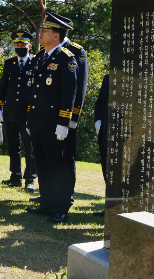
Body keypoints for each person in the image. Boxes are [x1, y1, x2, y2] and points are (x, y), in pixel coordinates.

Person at [25, 11, 78, 223]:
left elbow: (69, 93)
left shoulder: (66, 59)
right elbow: (34, 92)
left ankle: (61, 206)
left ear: (56, 35)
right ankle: (47, 203)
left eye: (45, 30)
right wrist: (30, 118)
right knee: (42, 164)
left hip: (55, 124)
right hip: (38, 121)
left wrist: (64, 122)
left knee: (57, 165)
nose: (40, 33)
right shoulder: (40, 57)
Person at [52, 11, 90, 205]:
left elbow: (80, 87)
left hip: (66, 116)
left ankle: (68, 194)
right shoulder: (48, 51)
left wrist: (72, 117)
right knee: (51, 157)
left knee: (67, 156)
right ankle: (51, 194)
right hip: (49, 116)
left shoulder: (76, 51)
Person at [0, 30, 37, 191]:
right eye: (17, 45)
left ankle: (30, 179)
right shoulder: (9, 63)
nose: (20, 47)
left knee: (30, 147)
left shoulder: (35, 63)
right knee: (13, 146)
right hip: (10, 111)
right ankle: (15, 176)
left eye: (23, 45)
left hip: (28, 112)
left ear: (29, 46)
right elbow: (3, 87)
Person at [93, 73, 110, 217]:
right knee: (107, 170)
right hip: (105, 133)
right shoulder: (108, 77)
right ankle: (110, 207)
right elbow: (99, 102)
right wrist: (97, 120)